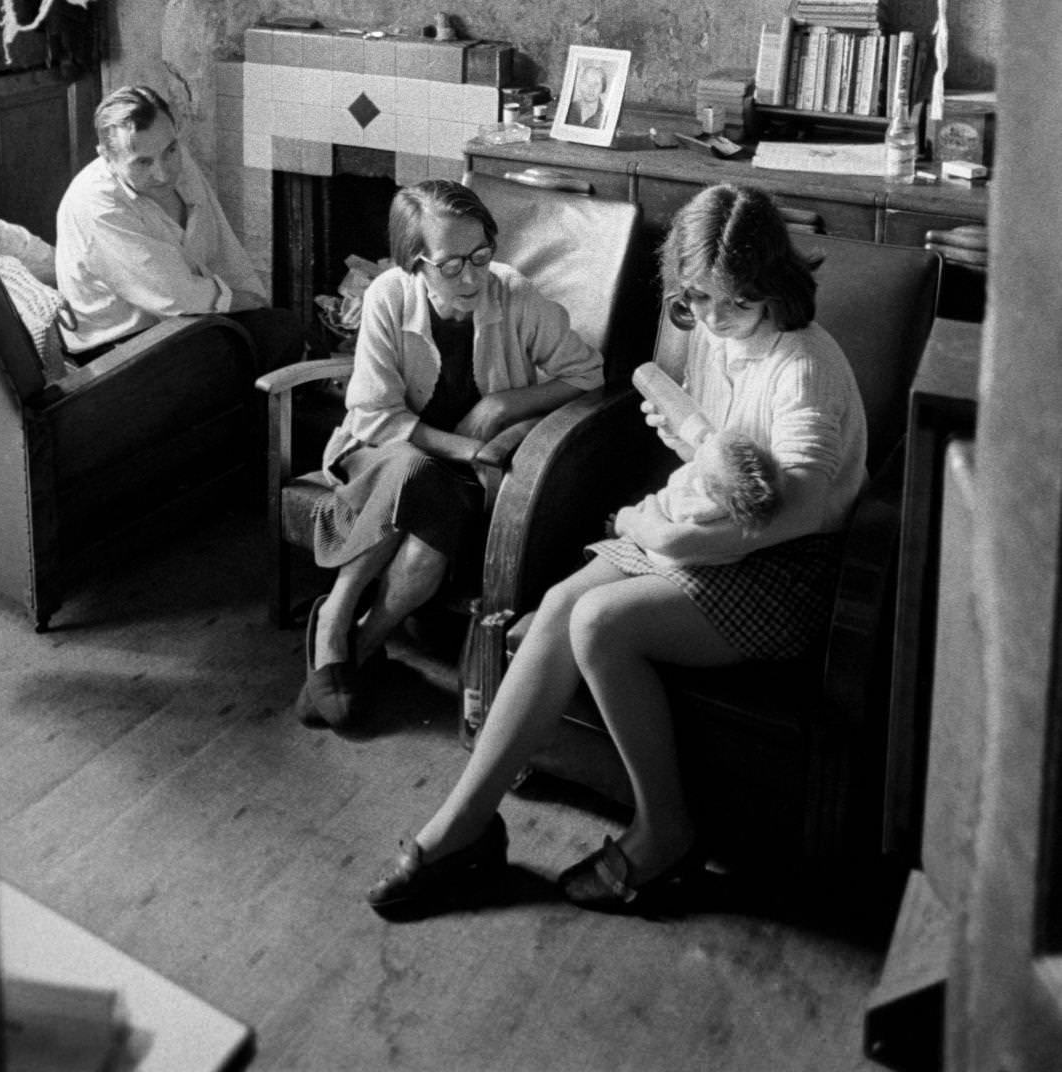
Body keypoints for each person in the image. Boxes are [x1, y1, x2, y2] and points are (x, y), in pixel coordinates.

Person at [365, 181, 867, 918]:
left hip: (788, 564)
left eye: (738, 302)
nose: (719, 323)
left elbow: (797, 513)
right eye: (700, 302)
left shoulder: (804, 366)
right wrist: (674, 482)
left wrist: (654, 530)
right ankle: (463, 827)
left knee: (597, 622)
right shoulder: (709, 335)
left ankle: (667, 833)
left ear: (773, 286)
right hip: (708, 529)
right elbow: (714, 463)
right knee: (560, 605)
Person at [298, 180, 604, 733]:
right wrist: (469, 446)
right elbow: (373, 415)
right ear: (414, 263)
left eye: (481, 256)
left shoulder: (512, 293)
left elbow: (587, 373)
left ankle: (359, 643)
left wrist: (502, 404)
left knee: (426, 544)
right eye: (450, 264)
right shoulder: (389, 295)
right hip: (380, 455)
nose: (471, 278)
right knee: (413, 470)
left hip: (457, 479)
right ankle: (335, 617)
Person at [55, 83, 304, 379]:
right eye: (143, 162)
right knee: (280, 336)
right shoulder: (98, 205)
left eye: (170, 150)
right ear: (106, 157)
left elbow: (222, 247)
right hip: (116, 348)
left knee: (284, 328)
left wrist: (256, 300)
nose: (163, 172)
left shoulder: (179, 164)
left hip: (179, 319)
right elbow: (173, 296)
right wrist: (243, 304)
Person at [619, 427, 784, 545]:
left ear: (704, 486)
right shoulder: (733, 495)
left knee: (630, 513)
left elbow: (671, 525)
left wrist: (651, 504)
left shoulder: (697, 508)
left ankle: (617, 528)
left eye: (699, 462)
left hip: (681, 555)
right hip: (685, 546)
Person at [564, 62, 609, 128]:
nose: (591, 88)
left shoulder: (607, 115)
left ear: (603, 87)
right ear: (580, 84)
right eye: (587, 82)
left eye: (596, 84)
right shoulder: (568, 108)